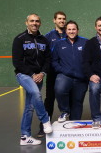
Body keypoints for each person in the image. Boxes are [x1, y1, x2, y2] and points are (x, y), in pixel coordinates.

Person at [12, 13, 52, 145]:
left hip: (39, 76)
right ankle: (45, 120)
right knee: (35, 93)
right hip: (24, 75)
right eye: (32, 21)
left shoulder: (44, 40)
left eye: (37, 21)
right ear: (26, 23)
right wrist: (32, 74)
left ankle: (25, 136)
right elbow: (17, 62)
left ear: (40, 23)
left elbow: (48, 59)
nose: (34, 23)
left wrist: (42, 73)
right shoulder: (20, 39)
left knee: (29, 106)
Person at [52, 20, 88, 122]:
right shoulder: (59, 44)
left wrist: (86, 74)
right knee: (59, 89)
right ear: (66, 31)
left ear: (77, 30)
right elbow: (54, 61)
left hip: (81, 78)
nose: (71, 31)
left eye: (74, 29)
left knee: (77, 102)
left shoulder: (85, 42)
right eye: (69, 29)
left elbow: (90, 60)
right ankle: (65, 111)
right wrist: (63, 71)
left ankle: (74, 124)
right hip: (65, 76)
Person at [38, 11, 66, 138]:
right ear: (54, 20)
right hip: (53, 74)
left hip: (66, 73)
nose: (62, 21)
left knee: (67, 99)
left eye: (63, 19)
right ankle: (43, 126)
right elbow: (44, 56)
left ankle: (68, 125)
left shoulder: (69, 33)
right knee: (49, 100)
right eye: (59, 19)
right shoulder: (48, 37)